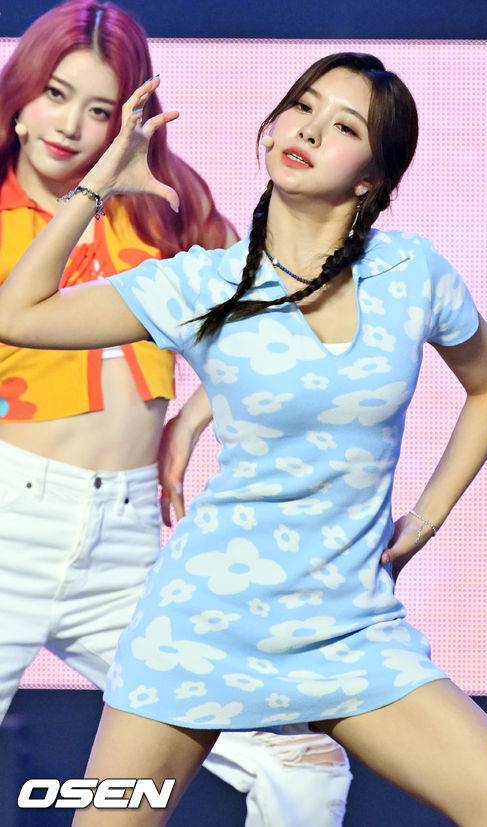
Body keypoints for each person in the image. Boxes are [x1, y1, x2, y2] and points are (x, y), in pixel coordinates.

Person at [2, 49, 487, 827]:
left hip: (349, 626)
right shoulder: (201, 283)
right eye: (302, 107)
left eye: (343, 126)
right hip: (203, 626)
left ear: (371, 179)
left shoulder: (413, 272)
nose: (308, 130)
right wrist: (101, 180)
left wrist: (427, 516)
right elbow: (17, 314)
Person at [0, 3, 353, 824]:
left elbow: (277, 306)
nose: (70, 126)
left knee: (300, 762)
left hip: (125, 538)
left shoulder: (163, 200)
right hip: (11, 516)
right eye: (55, 94)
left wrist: (195, 416)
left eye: (99, 109)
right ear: (18, 99)